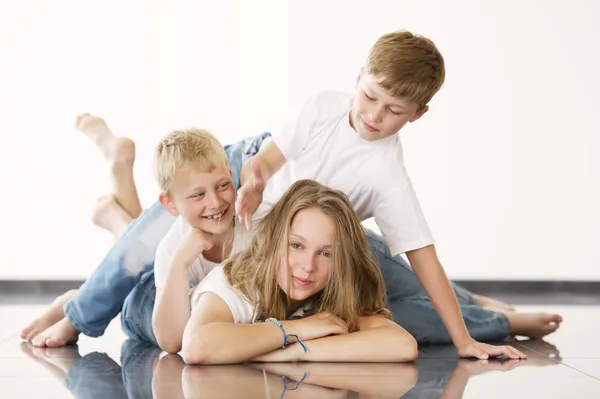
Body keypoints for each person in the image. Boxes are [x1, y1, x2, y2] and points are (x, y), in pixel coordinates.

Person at [23, 30, 560, 357]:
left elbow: (423, 261)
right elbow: (267, 160)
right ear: (358, 78)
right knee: (150, 246)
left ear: (418, 114)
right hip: (250, 174)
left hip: (312, 227)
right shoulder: (326, 105)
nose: (373, 117)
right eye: (370, 97)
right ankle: (79, 315)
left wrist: (466, 341)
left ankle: (485, 315)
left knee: (397, 290)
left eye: (393, 111)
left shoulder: (386, 176)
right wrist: (251, 181)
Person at [181, 179, 423, 364]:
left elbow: (402, 345)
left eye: (326, 254)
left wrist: (295, 352)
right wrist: (297, 330)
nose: (308, 266)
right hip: (157, 299)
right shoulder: (237, 282)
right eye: (296, 245)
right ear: (275, 241)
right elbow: (197, 347)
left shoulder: (328, 290)